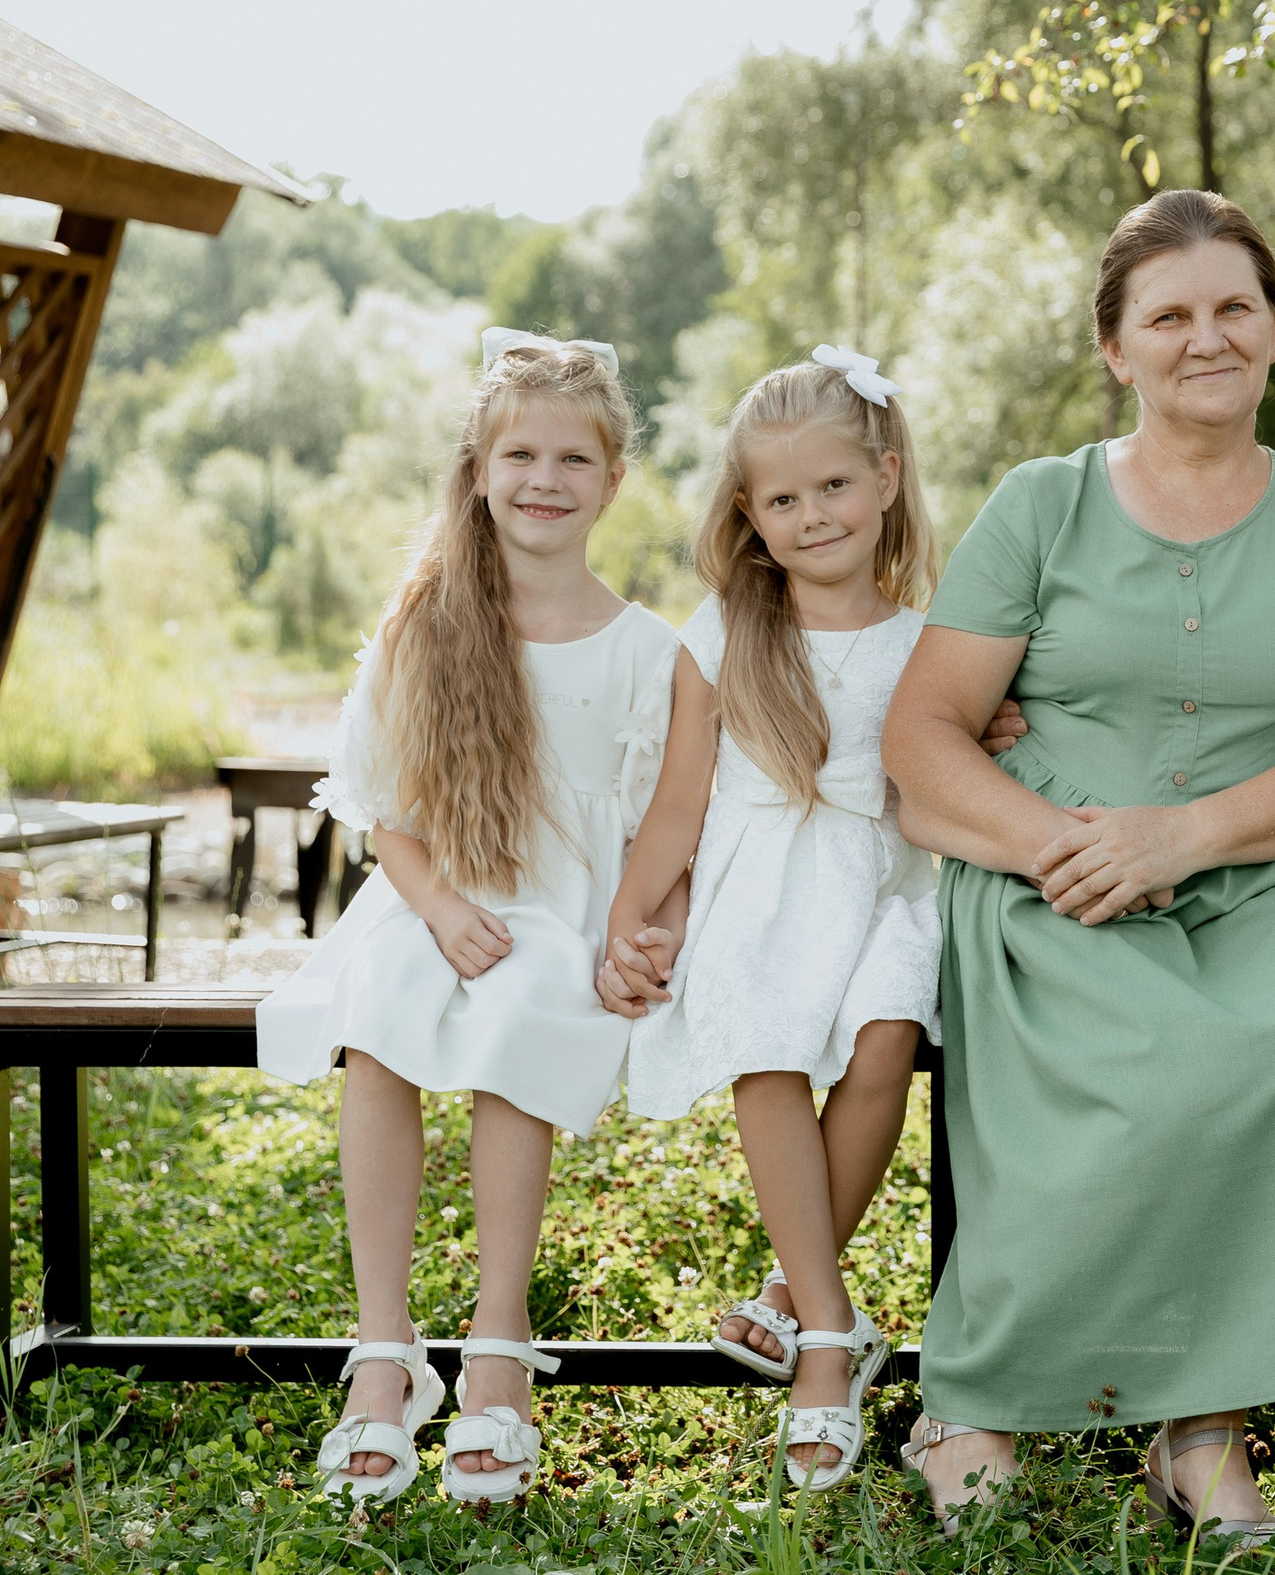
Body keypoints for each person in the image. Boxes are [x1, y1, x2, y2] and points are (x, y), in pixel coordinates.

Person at [881, 188, 1275, 1543]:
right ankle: (970, 1399)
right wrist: (1069, 847)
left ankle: (1201, 1433)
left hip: (1269, 879)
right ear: (1115, 348)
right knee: (1141, 1065)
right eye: (1169, 314)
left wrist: (1179, 835)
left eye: (1234, 306)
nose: (1207, 336)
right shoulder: (1042, 505)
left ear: (1274, 330)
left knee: (1269, 1050)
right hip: (1052, 874)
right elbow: (924, 731)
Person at [257, 331, 681, 1504]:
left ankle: (498, 1345)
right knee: (380, 1019)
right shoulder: (427, 622)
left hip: (567, 911)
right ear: (480, 468)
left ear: (613, 479)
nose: (545, 480)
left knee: (527, 1010)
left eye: (572, 460)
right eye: (521, 455)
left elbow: (663, 822)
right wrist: (437, 906)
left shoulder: (651, 650)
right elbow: (384, 805)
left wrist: (647, 930)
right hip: (433, 895)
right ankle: (383, 1351)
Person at [603, 348, 941, 1491]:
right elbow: (675, 807)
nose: (812, 515)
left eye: (835, 487)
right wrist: (629, 921)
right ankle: (830, 1342)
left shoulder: (926, 642)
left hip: (886, 881)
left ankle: (791, 1299)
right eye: (783, 499)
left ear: (887, 478)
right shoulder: (723, 635)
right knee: (767, 1043)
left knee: (886, 1031)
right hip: (760, 883)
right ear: (748, 513)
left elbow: (943, 784)